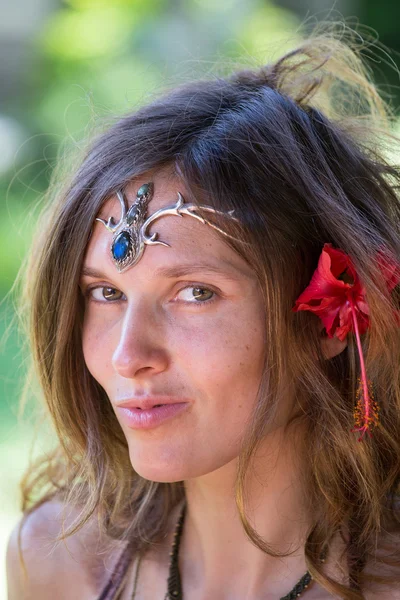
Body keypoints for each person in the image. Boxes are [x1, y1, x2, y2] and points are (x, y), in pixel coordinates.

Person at [5, 24, 400, 600]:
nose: (127, 356)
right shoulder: (56, 565)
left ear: (328, 313)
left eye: (195, 293)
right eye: (106, 293)